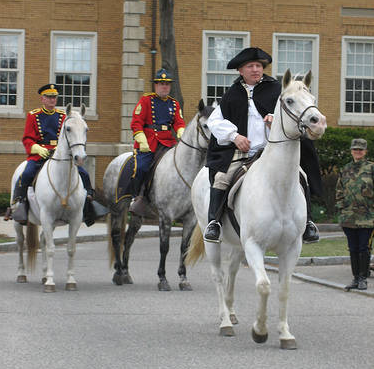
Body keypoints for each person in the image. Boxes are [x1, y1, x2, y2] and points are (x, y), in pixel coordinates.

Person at [204, 46, 322, 243]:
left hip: (271, 151)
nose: (256, 70)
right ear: (241, 71)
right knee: (222, 178)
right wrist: (235, 136)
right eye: (250, 66)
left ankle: (308, 222)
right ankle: (214, 222)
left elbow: (291, 115)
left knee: (301, 176)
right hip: (243, 153)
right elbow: (214, 121)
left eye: (259, 66)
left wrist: (275, 119)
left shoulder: (276, 89)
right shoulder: (232, 94)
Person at [12, 83, 98, 226]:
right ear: (43, 99)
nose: (52, 100)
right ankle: (19, 204)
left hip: (60, 153)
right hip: (40, 154)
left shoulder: (63, 116)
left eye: (54, 97)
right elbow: (27, 138)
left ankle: (89, 206)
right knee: (27, 174)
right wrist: (37, 148)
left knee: (84, 174)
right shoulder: (34, 115)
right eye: (49, 97)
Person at [129, 68, 186, 216]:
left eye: (167, 84)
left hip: (167, 142)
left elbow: (179, 122)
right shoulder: (146, 100)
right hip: (149, 142)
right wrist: (142, 140)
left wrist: (181, 133)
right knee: (141, 167)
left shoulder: (174, 104)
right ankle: (137, 197)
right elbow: (136, 123)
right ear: (155, 85)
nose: (164, 86)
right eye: (161, 83)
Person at [336, 138, 374, 291]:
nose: (358, 152)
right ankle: (355, 278)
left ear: (365, 151)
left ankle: (363, 278)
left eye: (360, 149)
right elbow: (339, 191)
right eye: (355, 149)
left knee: (364, 248)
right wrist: (341, 209)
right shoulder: (345, 169)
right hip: (349, 218)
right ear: (351, 151)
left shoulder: (371, 168)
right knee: (353, 248)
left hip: (368, 218)